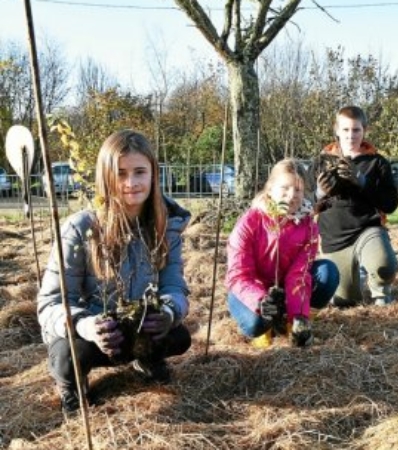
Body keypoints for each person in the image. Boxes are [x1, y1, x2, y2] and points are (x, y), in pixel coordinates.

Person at [37, 130, 192, 415]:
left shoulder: (167, 226)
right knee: (67, 356)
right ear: (105, 177)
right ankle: (73, 387)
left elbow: (175, 286)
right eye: (120, 174)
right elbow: (50, 303)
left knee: (179, 336)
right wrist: (88, 327)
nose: (131, 183)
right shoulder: (80, 229)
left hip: (138, 328)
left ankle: (146, 360)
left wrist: (168, 313)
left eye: (139, 172)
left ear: (153, 174)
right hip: (97, 334)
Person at [226, 159, 339, 348]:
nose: (292, 195)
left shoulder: (308, 225)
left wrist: (298, 317)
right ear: (270, 189)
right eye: (285, 188)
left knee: (328, 273)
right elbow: (238, 275)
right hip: (250, 291)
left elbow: (299, 274)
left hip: (286, 289)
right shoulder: (250, 221)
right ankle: (264, 326)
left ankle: (289, 323)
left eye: (298, 190)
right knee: (256, 324)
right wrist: (261, 300)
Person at [306, 105, 398, 307]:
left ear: (364, 130)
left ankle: (380, 289)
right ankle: (352, 286)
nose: (351, 136)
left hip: (368, 230)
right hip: (334, 239)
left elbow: (391, 204)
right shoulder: (320, 163)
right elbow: (303, 206)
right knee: (345, 302)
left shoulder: (377, 163)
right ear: (336, 130)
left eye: (356, 130)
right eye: (346, 130)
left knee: (384, 266)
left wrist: (363, 182)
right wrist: (320, 194)